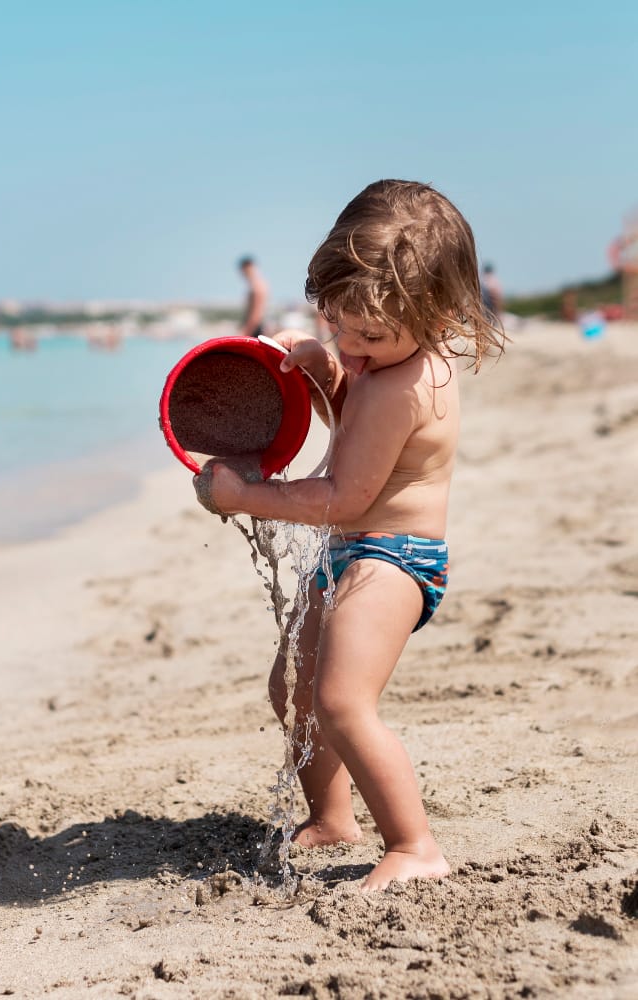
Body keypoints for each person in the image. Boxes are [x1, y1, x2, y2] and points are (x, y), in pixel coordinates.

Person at [202, 180, 504, 891]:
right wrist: (323, 373)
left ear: (440, 312)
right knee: (296, 691)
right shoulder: (382, 366)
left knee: (341, 701)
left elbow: (347, 495)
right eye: (340, 325)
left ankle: (414, 844)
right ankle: (333, 815)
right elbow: (354, 426)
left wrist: (249, 494)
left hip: (395, 560)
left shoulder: (409, 385)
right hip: (355, 552)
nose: (354, 347)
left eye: (370, 337)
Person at [237, 256, 269, 338]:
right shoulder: (257, 285)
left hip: (255, 328)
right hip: (256, 327)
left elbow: (256, 315)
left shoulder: (257, 287)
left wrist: (244, 333)